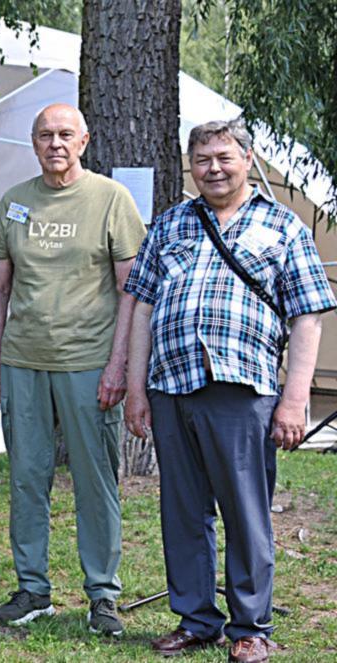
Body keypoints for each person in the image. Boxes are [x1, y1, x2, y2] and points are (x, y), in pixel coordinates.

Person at [124, 119, 335, 662]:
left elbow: (308, 317)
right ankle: (196, 619)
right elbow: (142, 307)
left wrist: (294, 399)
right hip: (171, 385)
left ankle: (250, 627)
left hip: (243, 390)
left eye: (223, 156)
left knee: (246, 511)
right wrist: (135, 388)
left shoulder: (283, 226)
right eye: (202, 159)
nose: (212, 168)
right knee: (183, 510)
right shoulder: (170, 224)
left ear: (246, 158)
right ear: (190, 166)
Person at [0, 103, 146, 635]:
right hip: (23, 361)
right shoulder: (15, 202)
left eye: (65, 134)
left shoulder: (110, 199)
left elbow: (130, 290)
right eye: (46, 135)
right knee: (28, 478)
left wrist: (118, 364)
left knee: (95, 482)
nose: (55, 143)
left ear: (84, 140)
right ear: (34, 143)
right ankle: (33, 588)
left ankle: (102, 595)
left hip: (88, 362)